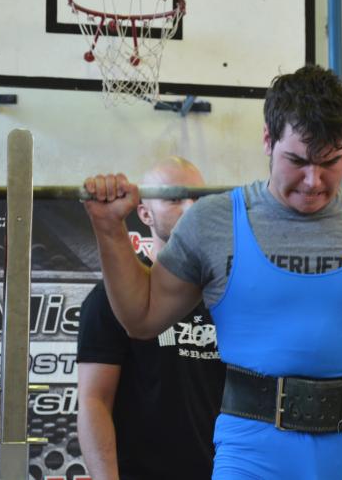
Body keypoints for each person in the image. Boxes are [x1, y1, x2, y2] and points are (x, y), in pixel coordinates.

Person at [83, 65, 342, 479]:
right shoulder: (216, 221)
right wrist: (109, 229)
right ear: (268, 141)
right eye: (297, 161)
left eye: (331, 162)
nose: (313, 181)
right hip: (254, 454)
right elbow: (142, 318)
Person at [77, 156, 226, 480]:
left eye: (198, 198)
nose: (190, 208)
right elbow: (94, 402)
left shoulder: (224, 295)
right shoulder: (109, 300)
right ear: (145, 214)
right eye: (174, 198)